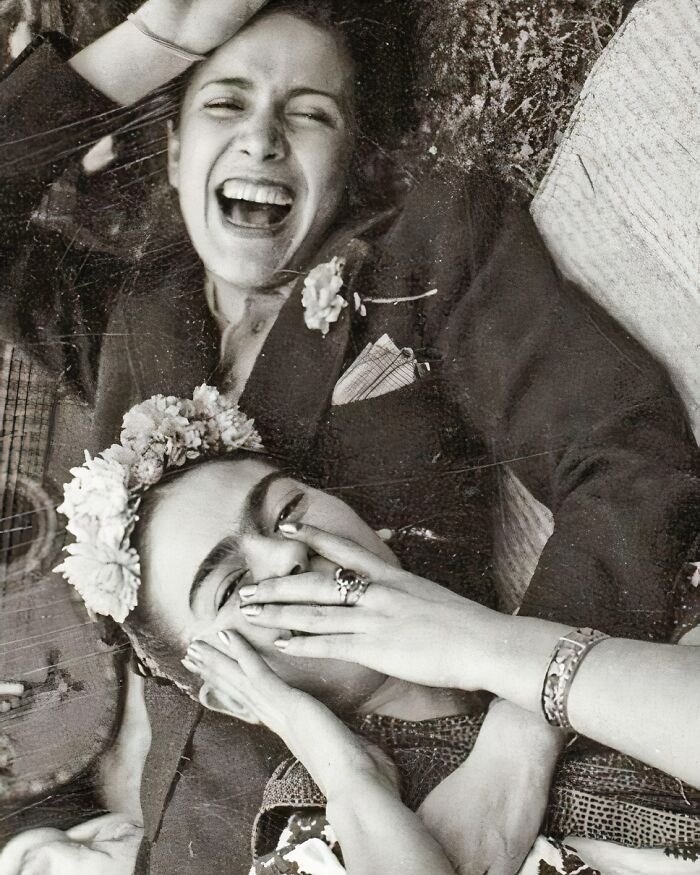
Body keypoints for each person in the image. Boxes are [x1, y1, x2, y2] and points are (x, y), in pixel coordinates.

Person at [1, 1, 699, 872]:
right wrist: (157, 41)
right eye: (224, 104)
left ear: (351, 158)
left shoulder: (428, 251)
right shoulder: (129, 319)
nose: (261, 138)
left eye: (309, 112)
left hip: (397, 806)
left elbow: (628, 460)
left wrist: (520, 749)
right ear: (175, 150)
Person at [3, 386, 697, 875]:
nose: (287, 554)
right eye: (234, 585)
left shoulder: (616, 600)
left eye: (285, 511)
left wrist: (479, 646)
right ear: (228, 690)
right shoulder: (306, 832)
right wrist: (349, 773)